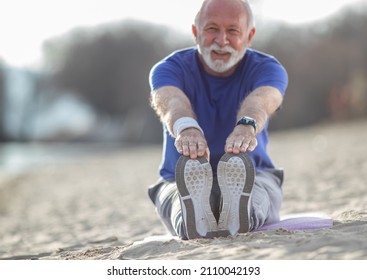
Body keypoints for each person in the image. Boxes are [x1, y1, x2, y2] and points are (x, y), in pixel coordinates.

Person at [148, 0, 288, 240]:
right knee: (177, 201)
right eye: (212, 28)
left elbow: (262, 101)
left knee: (257, 195)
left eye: (233, 31)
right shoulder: (167, 69)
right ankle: (192, 220)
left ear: (249, 35)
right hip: (178, 178)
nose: (221, 40)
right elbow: (171, 102)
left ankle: (241, 212)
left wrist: (247, 125)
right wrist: (187, 128)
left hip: (255, 173)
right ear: (196, 32)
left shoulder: (268, 69)